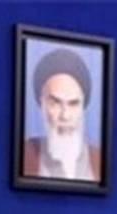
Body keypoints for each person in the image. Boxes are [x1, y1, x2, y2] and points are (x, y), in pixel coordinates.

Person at [22, 47, 101, 181]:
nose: (65, 115)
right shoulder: (24, 154)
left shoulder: (99, 161)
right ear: (41, 104)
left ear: (83, 107)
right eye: (56, 103)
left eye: (73, 103)